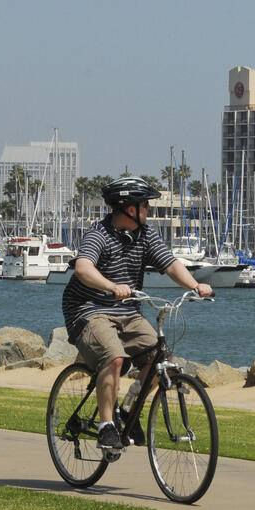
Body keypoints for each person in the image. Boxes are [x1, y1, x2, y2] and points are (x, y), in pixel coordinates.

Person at [61, 175, 212, 449]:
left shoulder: (145, 236)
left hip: (127, 313)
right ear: (130, 208)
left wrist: (196, 285)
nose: (149, 210)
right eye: (146, 205)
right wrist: (111, 286)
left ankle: (128, 408)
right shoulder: (99, 235)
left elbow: (170, 264)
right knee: (115, 358)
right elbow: (83, 268)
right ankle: (107, 425)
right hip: (89, 311)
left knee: (160, 359)